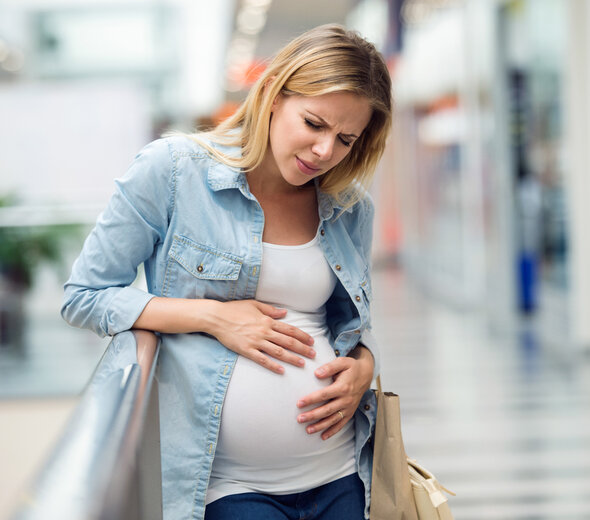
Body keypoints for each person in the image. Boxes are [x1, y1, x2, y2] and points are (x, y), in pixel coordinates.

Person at [62, 23, 392, 520]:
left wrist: (365, 366)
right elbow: (84, 296)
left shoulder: (350, 207)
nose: (326, 151)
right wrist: (212, 317)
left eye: (346, 139)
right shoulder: (172, 171)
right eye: (314, 124)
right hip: (226, 486)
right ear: (275, 94)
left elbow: (350, 326)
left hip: (341, 473)